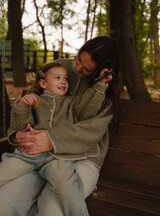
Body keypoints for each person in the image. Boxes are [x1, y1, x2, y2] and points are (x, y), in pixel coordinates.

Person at [0, 35, 120, 216]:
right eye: (78, 58)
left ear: (101, 70)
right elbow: (30, 109)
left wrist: (51, 139)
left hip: (83, 157)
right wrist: (19, 134)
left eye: (86, 69)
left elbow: (90, 129)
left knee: (52, 210)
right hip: (38, 154)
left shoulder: (105, 90)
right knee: (5, 202)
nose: (77, 68)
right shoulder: (59, 67)